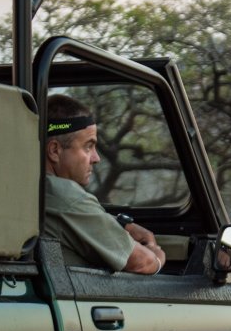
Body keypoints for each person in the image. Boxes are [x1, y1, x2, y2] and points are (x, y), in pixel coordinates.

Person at [43, 94, 167, 274]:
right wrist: (157, 255)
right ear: (55, 150)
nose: (96, 158)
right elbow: (142, 263)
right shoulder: (64, 196)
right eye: (88, 146)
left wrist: (118, 224)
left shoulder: (32, 188)